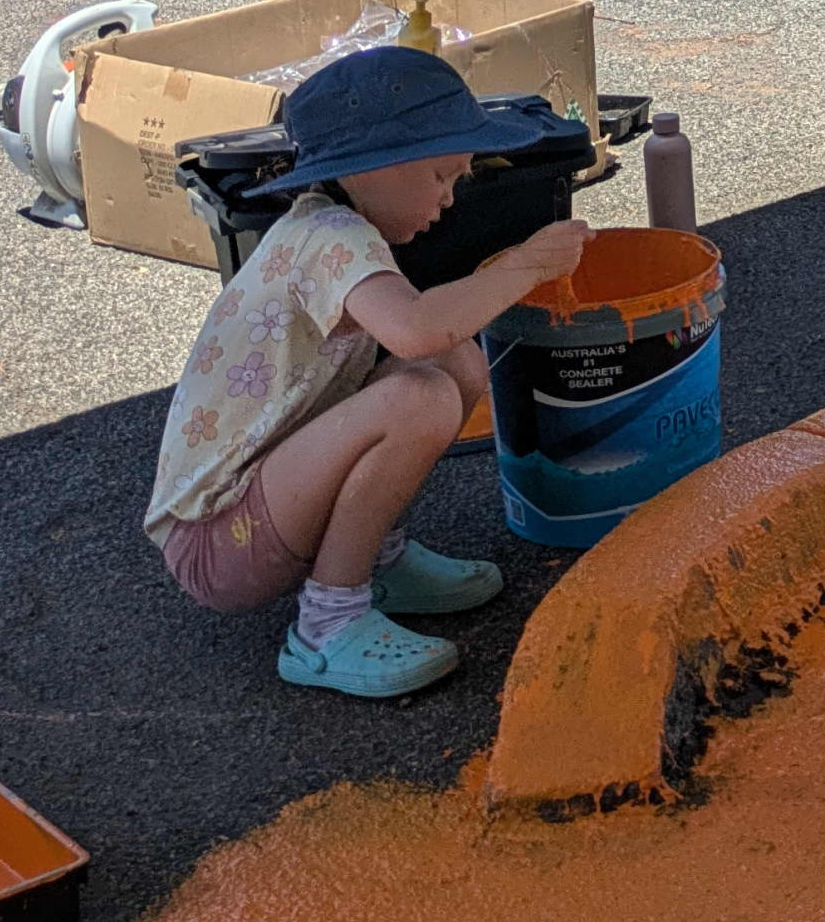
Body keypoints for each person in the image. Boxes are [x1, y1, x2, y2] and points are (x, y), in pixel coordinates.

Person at [144, 46, 589, 698]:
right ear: (376, 167)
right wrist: (525, 265)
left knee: (453, 363)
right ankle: (326, 626)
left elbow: (435, 335)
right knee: (422, 394)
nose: (448, 198)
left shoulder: (331, 225)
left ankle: (373, 562)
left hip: (249, 505)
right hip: (219, 537)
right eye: (440, 176)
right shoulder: (332, 240)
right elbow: (416, 326)